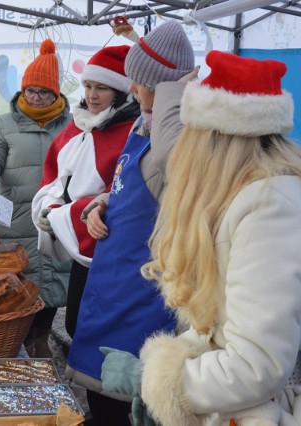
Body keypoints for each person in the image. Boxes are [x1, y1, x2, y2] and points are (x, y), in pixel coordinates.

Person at [104, 50, 301, 426]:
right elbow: (220, 329)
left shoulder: (269, 206)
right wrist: (167, 361)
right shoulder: (244, 196)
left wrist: (156, 383)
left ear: (214, 137)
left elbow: (256, 364)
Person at [64, 20, 196, 425]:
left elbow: (173, 190)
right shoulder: (144, 122)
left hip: (144, 295)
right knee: (99, 394)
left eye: (139, 82)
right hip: (111, 282)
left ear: (164, 88)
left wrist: (174, 88)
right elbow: (127, 185)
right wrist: (99, 205)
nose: (131, 89)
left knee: (128, 402)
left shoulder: (182, 139)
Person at [0, 38, 75, 358]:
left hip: (56, 216)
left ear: (56, 93)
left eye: (44, 91)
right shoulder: (5, 124)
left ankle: (42, 337)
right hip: (16, 218)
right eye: (31, 90)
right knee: (19, 281)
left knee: (55, 282)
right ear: (22, 90)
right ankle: (21, 340)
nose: (36, 97)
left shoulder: (73, 125)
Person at [31, 44, 140, 338]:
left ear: (120, 92)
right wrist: (49, 210)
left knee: (99, 327)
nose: (91, 95)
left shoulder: (133, 132)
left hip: (108, 244)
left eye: (102, 88)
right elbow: (53, 178)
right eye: (88, 86)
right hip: (78, 241)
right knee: (76, 322)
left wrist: (64, 216)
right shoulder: (78, 125)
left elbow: (120, 192)